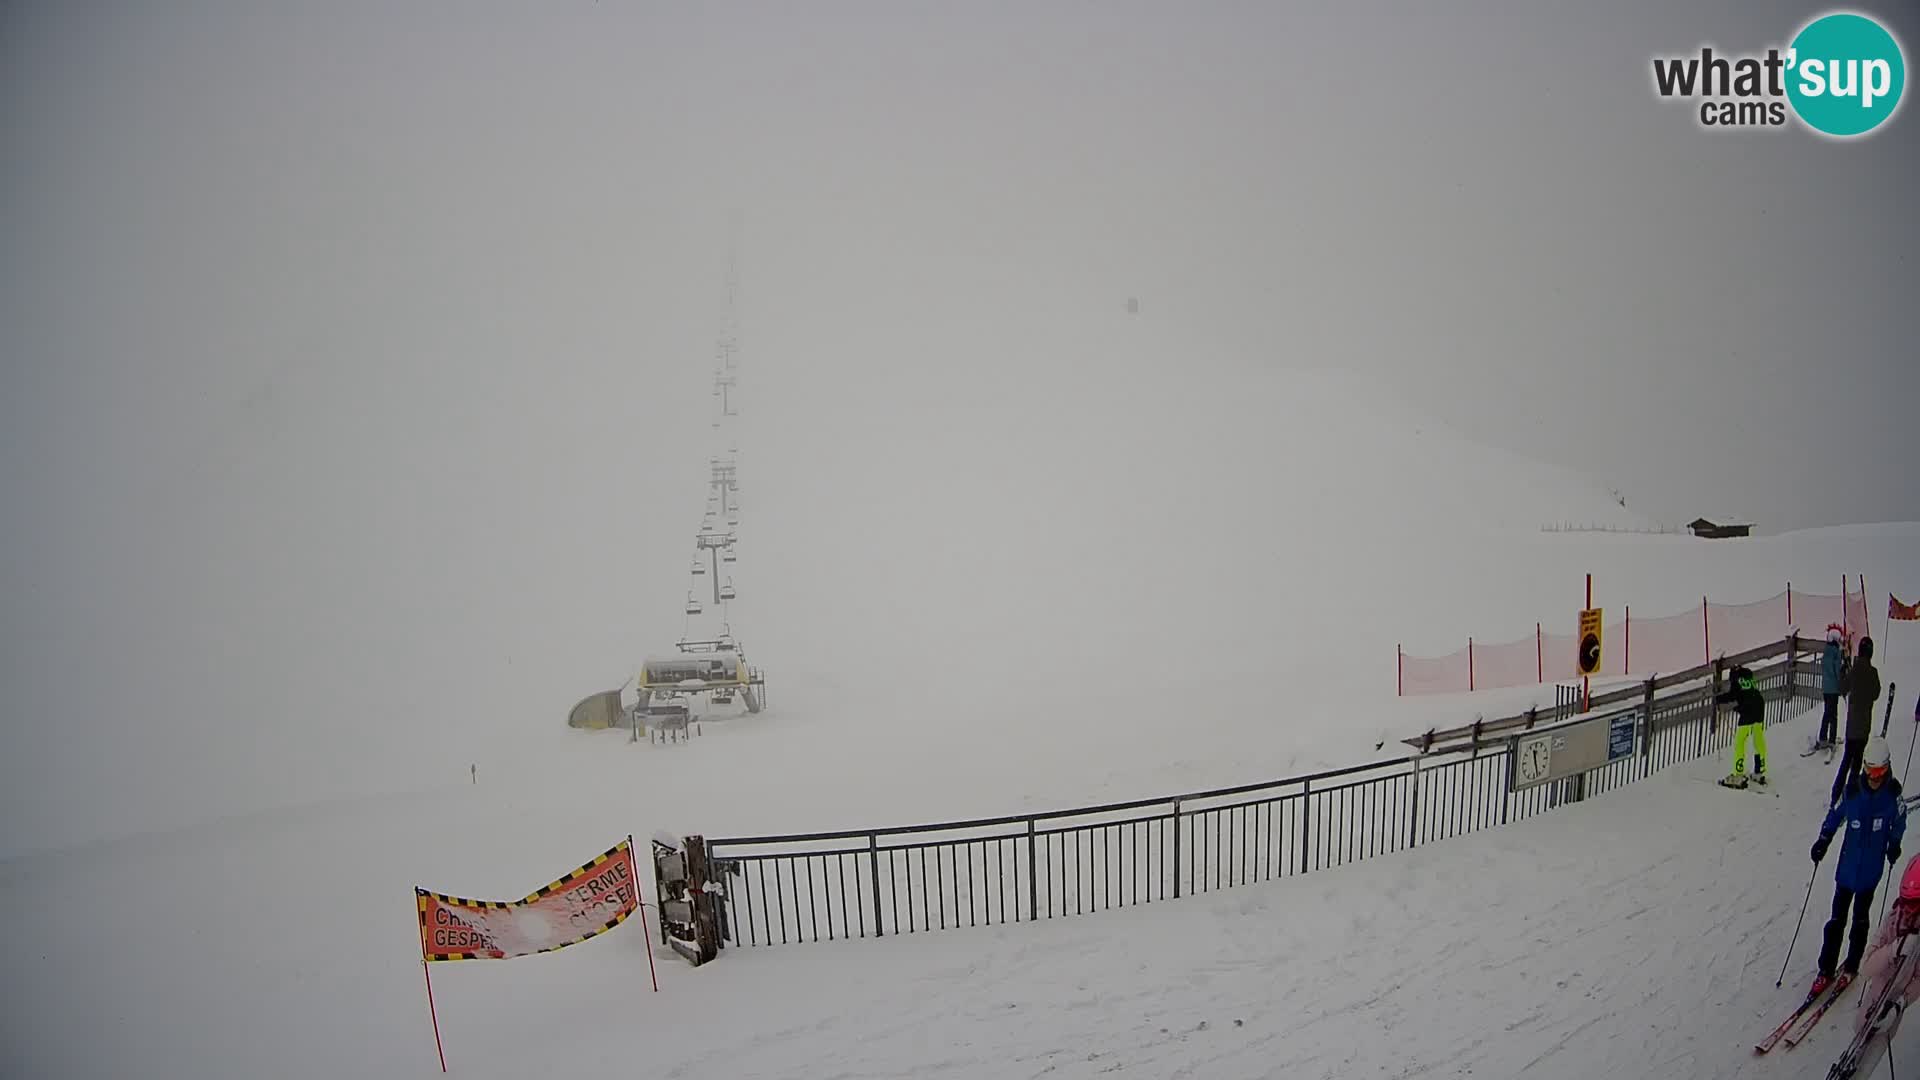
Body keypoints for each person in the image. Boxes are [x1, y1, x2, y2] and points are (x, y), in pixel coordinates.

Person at [1812, 736, 1907, 992]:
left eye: (1880, 772)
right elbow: (1835, 815)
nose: (1875, 778)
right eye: (1870, 771)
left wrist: (1894, 843)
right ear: (1864, 768)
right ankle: (1826, 968)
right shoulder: (1852, 792)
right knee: (1836, 921)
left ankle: (1852, 965)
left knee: (1860, 921)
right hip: (1846, 871)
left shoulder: (1891, 797)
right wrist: (1823, 839)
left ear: (1887, 769)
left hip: (1869, 873)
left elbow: (1900, 821)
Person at [1832, 637, 1883, 807]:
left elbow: (1841, 688)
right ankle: (1849, 797)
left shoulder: (1853, 671)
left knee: (1846, 759)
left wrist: (1843, 671)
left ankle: (1835, 795)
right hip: (1864, 727)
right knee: (1856, 763)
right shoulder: (1873, 672)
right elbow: (1876, 693)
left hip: (1852, 725)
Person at [1716, 664, 1768, 787]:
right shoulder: (1748, 676)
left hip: (1748, 711)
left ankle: (1738, 774)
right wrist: (1738, 707)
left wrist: (1719, 699)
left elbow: (1733, 695)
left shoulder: (1736, 679)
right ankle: (1759, 772)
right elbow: (1747, 694)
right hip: (1759, 706)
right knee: (1758, 740)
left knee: (1740, 742)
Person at [1820, 628, 1849, 749]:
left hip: (1826, 689)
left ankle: (1822, 737)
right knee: (1833, 715)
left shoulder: (1826, 651)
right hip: (1833, 689)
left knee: (1826, 713)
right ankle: (1832, 739)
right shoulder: (1836, 653)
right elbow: (1837, 671)